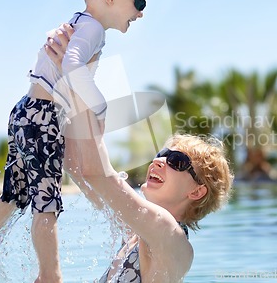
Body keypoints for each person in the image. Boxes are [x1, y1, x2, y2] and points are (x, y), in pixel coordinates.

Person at [0, 0, 150, 282]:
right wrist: (100, 107)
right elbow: (73, 66)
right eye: (138, 2)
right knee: (47, 203)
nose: (141, 13)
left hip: (24, 111)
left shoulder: (77, 22)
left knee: (14, 195)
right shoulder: (92, 29)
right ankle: (51, 275)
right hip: (42, 117)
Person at [45, 37, 234, 282]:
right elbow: (78, 168)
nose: (159, 162)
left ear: (197, 191)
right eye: (161, 155)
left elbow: (97, 173)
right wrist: (71, 86)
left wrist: (78, 75)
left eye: (176, 161)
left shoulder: (168, 234)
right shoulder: (136, 231)